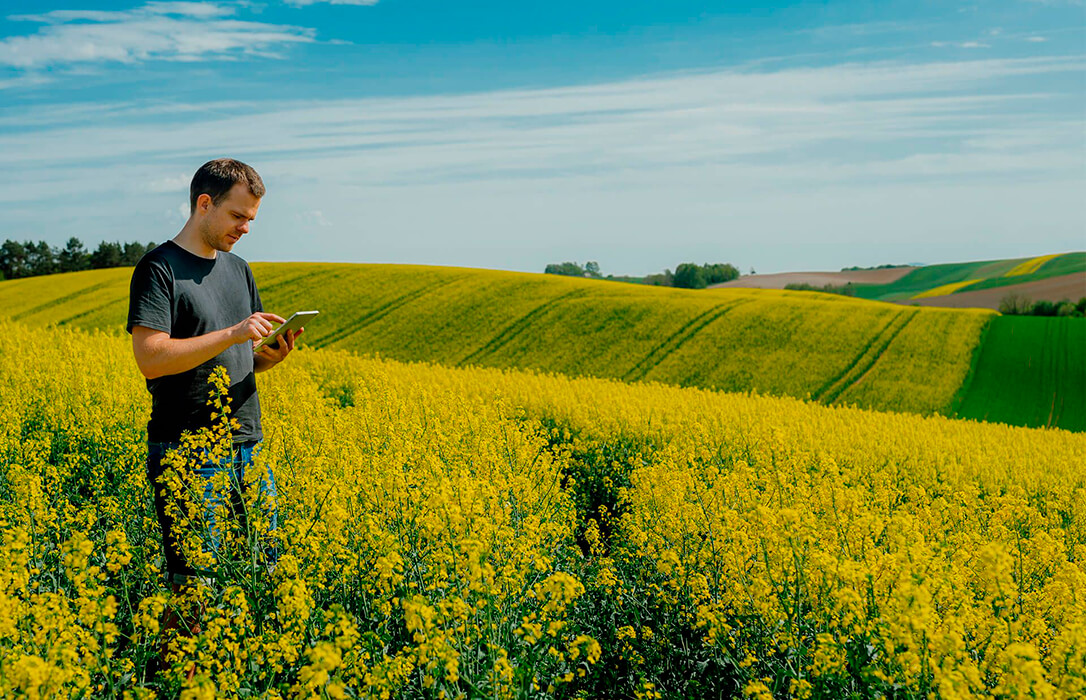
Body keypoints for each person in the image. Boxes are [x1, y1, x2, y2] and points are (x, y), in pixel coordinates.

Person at [126, 159, 303, 659]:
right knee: (195, 586)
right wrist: (234, 332)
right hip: (188, 452)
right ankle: (172, 677)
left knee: (268, 569)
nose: (245, 229)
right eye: (238, 216)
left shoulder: (239, 270)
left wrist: (265, 357)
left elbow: (233, 355)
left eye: (251, 220)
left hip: (248, 443)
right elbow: (151, 359)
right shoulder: (159, 269)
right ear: (204, 203)